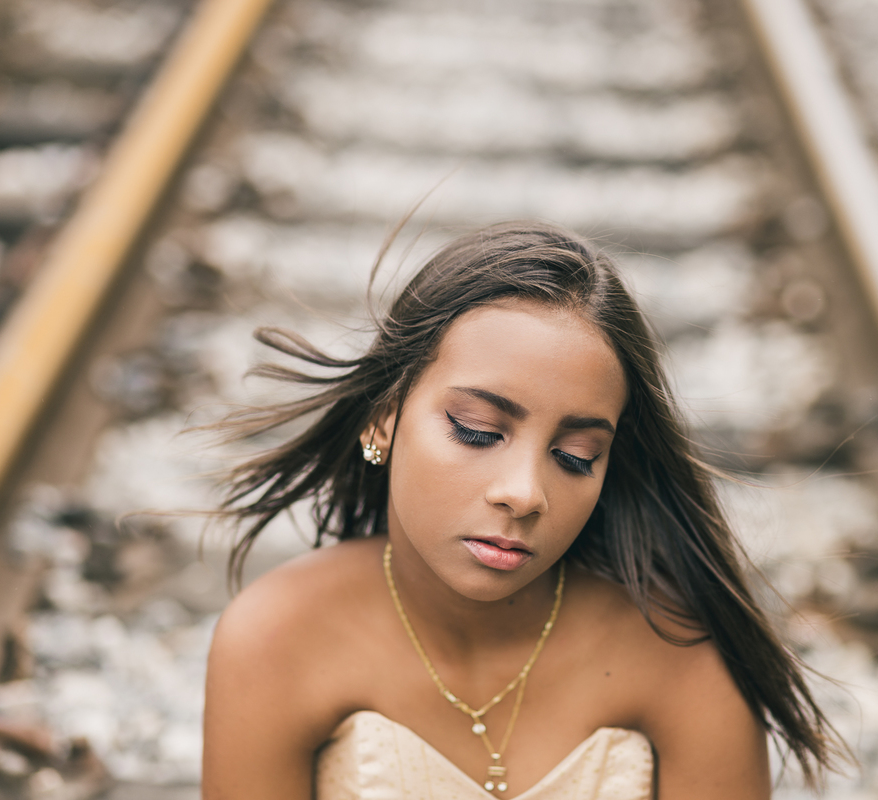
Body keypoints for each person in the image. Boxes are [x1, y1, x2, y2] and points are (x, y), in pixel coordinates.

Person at [201, 221, 842, 799]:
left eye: (575, 456)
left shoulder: (681, 651)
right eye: (477, 430)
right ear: (384, 418)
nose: (524, 493)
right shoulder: (277, 637)